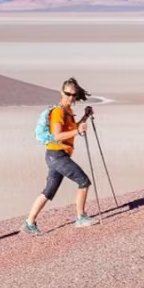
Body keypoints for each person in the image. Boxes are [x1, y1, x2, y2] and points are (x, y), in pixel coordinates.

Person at [21, 78, 95, 235]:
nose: (70, 97)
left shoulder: (67, 111)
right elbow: (58, 135)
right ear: (61, 92)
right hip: (57, 155)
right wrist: (78, 131)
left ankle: (29, 223)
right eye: (68, 94)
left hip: (56, 156)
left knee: (49, 190)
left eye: (73, 95)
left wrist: (85, 117)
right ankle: (81, 218)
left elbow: (74, 128)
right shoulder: (59, 111)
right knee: (84, 181)